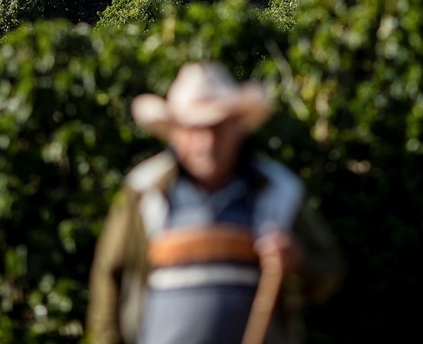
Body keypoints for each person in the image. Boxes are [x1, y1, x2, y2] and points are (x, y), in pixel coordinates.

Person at [87, 61, 344, 344]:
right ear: (175, 132)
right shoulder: (144, 191)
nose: (207, 143)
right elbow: (108, 278)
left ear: (237, 127)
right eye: (194, 129)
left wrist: (298, 259)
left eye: (217, 127)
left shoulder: (279, 190)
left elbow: (329, 272)